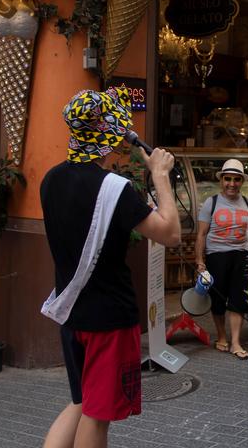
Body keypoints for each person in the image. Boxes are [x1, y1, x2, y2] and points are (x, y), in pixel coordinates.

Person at [40, 87, 182, 448]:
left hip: (71, 312)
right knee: (97, 415)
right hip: (110, 317)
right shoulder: (114, 188)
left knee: (80, 402)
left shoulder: (51, 179)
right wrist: (160, 176)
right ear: (110, 136)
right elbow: (170, 233)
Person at [195, 159, 248, 360]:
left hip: (241, 255)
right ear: (221, 180)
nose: (232, 184)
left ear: (242, 181)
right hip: (216, 255)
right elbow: (201, 234)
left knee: (239, 298)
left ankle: (236, 342)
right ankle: (222, 336)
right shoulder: (211, 202)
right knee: (218, 299)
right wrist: (200, 261)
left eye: (236, 179)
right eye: (228, 179)